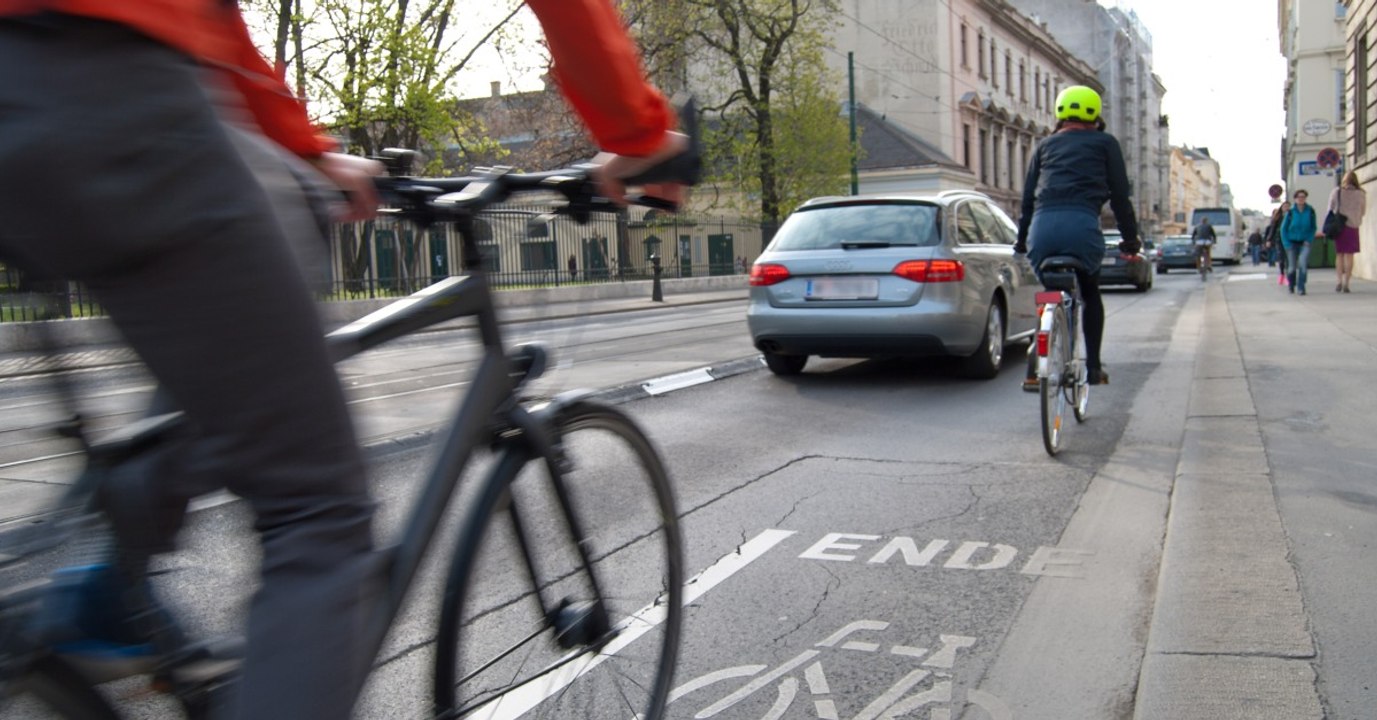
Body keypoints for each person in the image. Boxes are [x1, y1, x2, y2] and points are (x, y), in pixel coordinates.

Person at [0, 2, 688, 719]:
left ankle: (118, 582)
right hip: (110, 89)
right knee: (319, 516)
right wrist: (638, 133)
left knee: (277, 245)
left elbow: (216, 25)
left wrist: (306, 151)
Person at [1015, 85, 1140, 390]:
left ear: (1059, 114)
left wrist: (1021, 242)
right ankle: (1094, 367)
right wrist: (1130, 242)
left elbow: (1028, 200)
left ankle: (1035, 363)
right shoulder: (1106, 143)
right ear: (1095, 115)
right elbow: (1120, 198)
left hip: (1042, 231)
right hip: (1082, 227)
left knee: (1050, 292)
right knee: (1090, 291)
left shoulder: (1044, 146)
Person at [1328, 170, 1366, 293]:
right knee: (1350, 255)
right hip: (1353, 226)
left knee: (1339, 254)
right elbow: (1363, 211)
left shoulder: (1337, 191)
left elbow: (1330, 208)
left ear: (1344, 179)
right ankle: (1347, 282)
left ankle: (1339, 280)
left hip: (1339, 226)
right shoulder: (1361, 194)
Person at [1281, 189, 1319, 295]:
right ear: (1295, 199)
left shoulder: (1310, 211)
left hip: (1305, 242)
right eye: (1299, 197)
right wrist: (1286, 243)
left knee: (1303, 263)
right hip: (1291, 242)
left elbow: (1313, 227)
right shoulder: (1290, 212)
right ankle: (1291, 285)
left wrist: (1309, 239)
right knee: (1292, 267)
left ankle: (1301, 287)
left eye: (1303, 197)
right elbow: (1283, 229)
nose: (1301, 199)